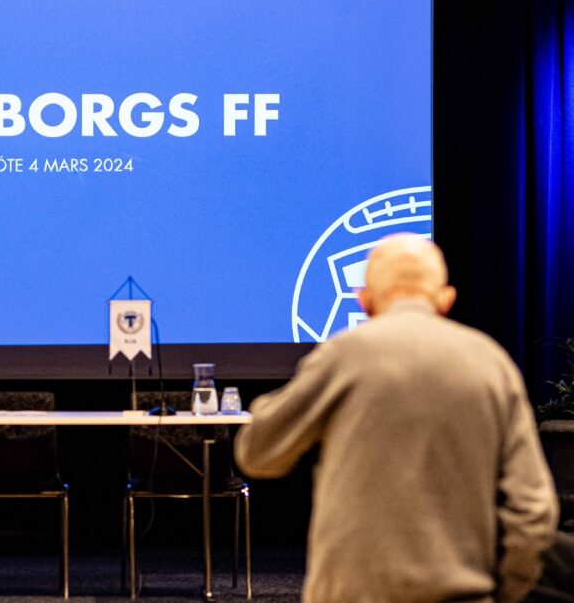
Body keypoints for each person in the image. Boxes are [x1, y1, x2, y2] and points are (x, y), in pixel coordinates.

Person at [235, 234, 559, 603]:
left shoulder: (342, 355)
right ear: (446, 299)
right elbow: (533, 510)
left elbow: (256, 453)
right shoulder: (492, 364)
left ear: (365, 299)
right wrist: (508, 589)